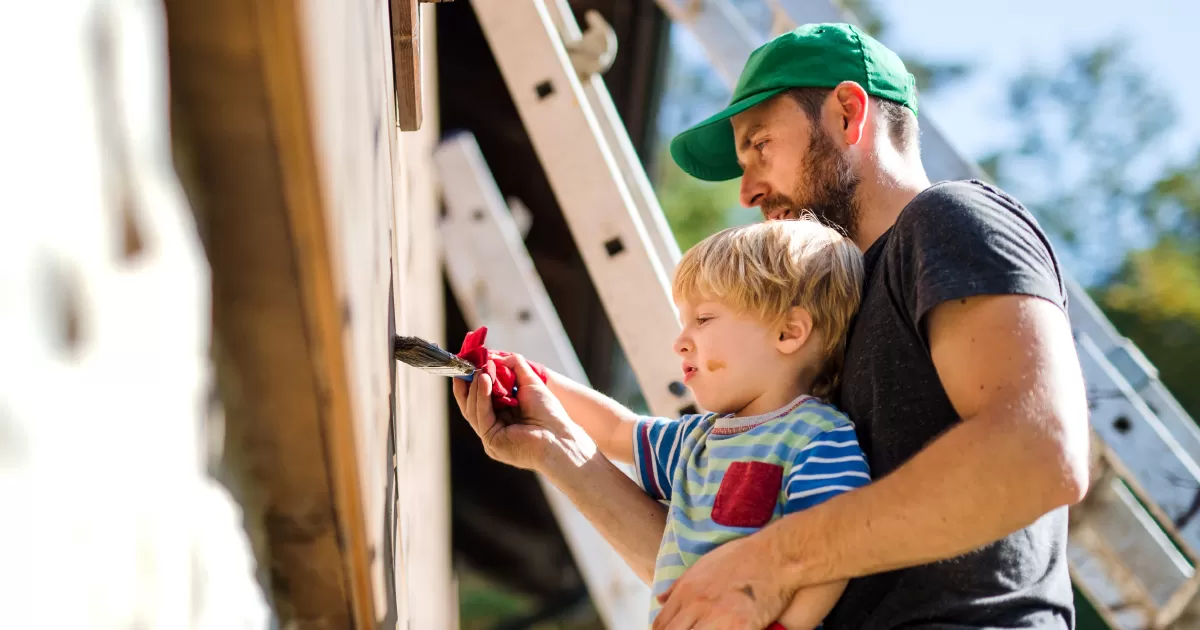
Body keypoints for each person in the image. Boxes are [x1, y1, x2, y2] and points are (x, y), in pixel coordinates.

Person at [454, 22, 1091, 630]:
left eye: (760, 145)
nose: (747, 191)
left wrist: (769, 561)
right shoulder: (820, 327)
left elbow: (1039, 451)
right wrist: (560, 451)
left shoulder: (948, 221)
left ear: (848, 112)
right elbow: (714, 578)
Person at [523, 219, 868, 629]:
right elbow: (618, 430)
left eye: (703, 319)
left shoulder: (817, 437)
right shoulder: (698, 438)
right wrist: (534, 381)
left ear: (789, 333)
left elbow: (831, 553)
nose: (680, 340)